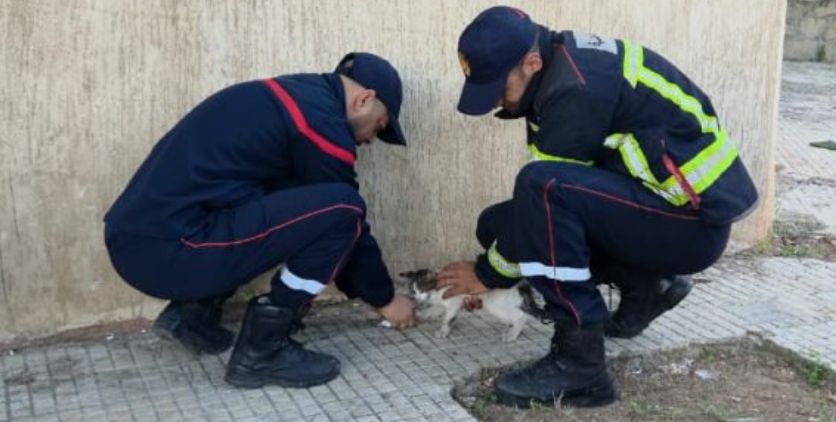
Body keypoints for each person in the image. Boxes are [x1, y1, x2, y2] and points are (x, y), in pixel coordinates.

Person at [437, 6, 758, 408]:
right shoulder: (558, 68)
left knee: (542, 189)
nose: (496, 101)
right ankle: (647, 286)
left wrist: (488, 273)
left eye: (498, 88)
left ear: (531, 62)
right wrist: (496, 266)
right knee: (496, 225)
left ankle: (580, 365)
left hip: (691, 229)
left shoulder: (576, 89)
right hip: (665, 212)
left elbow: (547, 197)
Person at [103, 52, 416, 389]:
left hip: (137, 244)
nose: (368, 140)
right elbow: (342, 220)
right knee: (343, 210)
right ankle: (262, 353)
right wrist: (384, 299)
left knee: (282, 197)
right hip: (173, 252)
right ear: (363, 100)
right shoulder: (318, 124)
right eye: (379, 126)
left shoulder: (287, 97)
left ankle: (192, 315)